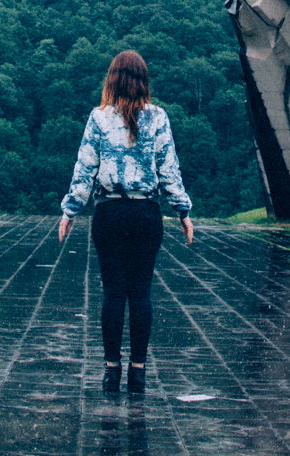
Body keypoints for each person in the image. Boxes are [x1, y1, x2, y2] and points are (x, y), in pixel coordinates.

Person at [58, 49, 194, 395]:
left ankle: (110, 370)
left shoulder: (99, 117)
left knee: (113, 292)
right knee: (141, 292)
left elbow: (85, 167)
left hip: (110, 213)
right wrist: (183, 211)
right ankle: (138, 371)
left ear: (112, 79)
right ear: (142, 81)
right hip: (146, 213)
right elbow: (169, 169)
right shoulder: (158, 117)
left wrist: (70, 210)